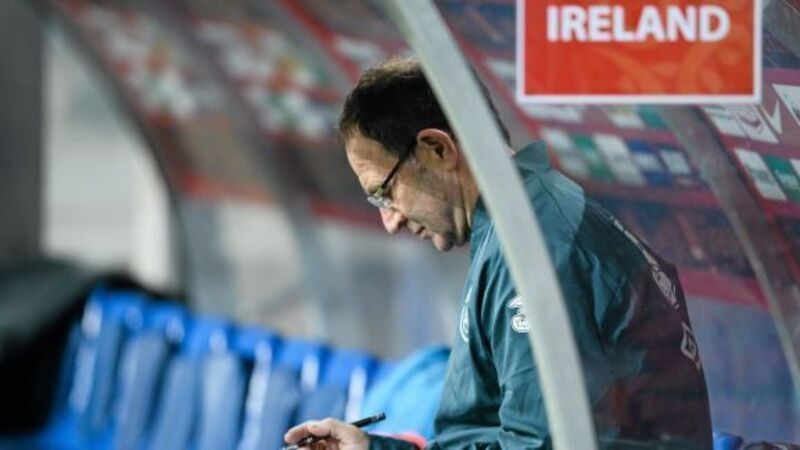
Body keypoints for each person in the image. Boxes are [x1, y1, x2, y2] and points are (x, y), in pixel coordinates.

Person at [284, 58, 713, 449]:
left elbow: (535, 447)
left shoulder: (541, 253)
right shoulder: (522, 227)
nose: (390, 221)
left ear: (438, 150)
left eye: (384, 192)